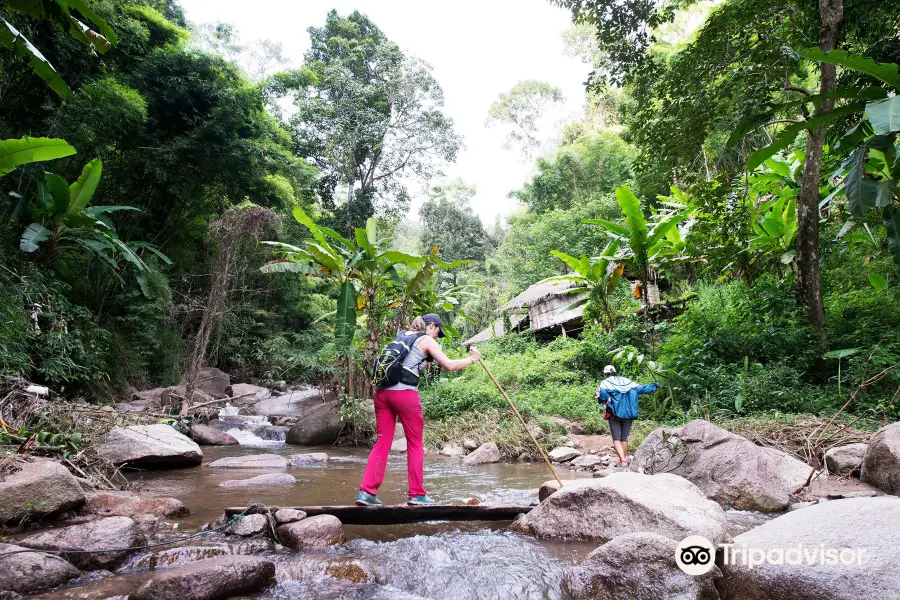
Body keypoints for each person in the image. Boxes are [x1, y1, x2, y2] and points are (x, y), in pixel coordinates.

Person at [357, 313, 482, 506]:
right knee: (415, 444)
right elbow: (449, 365)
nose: (435, 338)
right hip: (404, 395)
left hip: (382, 394)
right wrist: (473, 359)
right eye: (437, 333)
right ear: (431, 326)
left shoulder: (400, 336)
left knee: (382, 443)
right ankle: (416, 494)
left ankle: (366, 493)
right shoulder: (425, 339)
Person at [596, 365, 660, 468]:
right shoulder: (627, 381)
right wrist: (656, 385)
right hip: (629, 414)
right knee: (624, 438)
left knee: (616, 439)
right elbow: (643, 389)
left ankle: (622, 460)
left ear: (605, 374)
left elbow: (603, 396)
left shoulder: (605, 383)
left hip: (614, 414)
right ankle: (623, 461)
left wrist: (600, 396)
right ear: (615, 372)